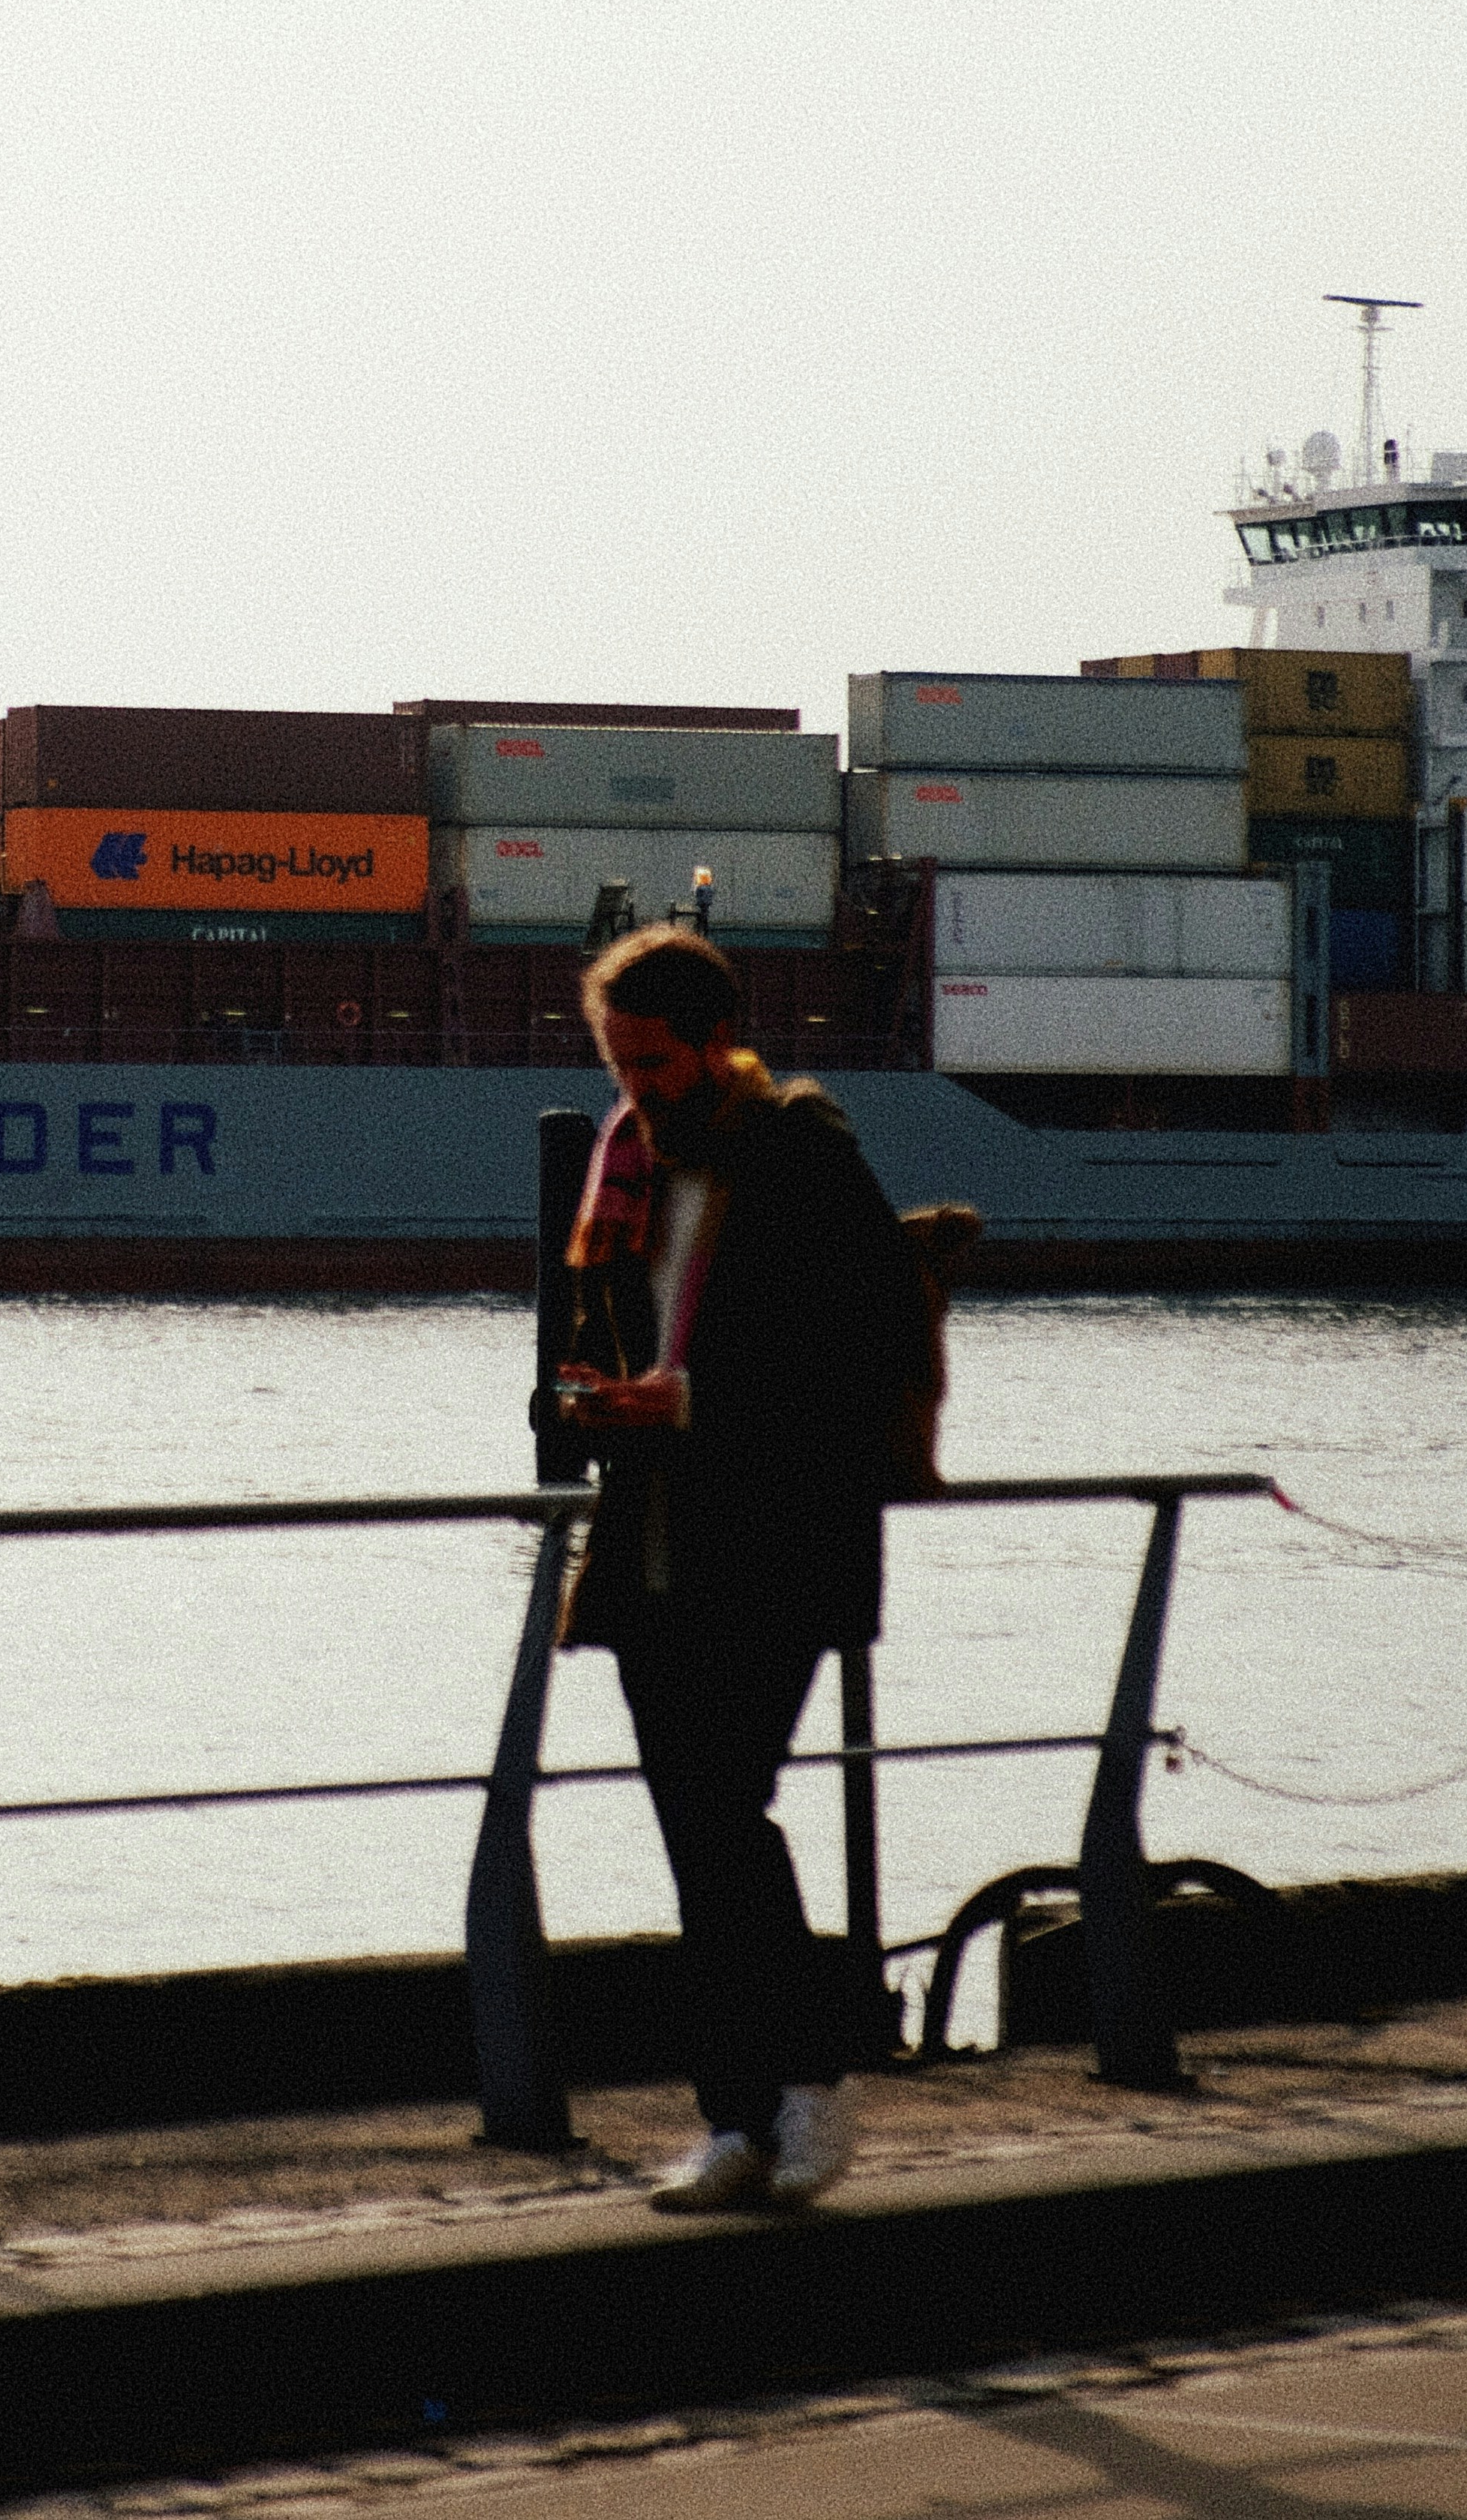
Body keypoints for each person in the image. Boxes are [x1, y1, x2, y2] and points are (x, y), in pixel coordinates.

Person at [554, 926, 925, 2211]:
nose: (634, 1087)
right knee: (697, 1837)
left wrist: (695, 1399)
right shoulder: (626, 1167)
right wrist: (600, 1399)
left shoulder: (805, 1161)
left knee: (723, 1819)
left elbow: (869, 1349)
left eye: (651, 1060)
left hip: (776, 1550)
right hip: (652, 1548)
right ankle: (740, 2120)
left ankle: (806, 2088)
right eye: (616, 1060)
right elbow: (620, 1338)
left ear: (716, 1044)